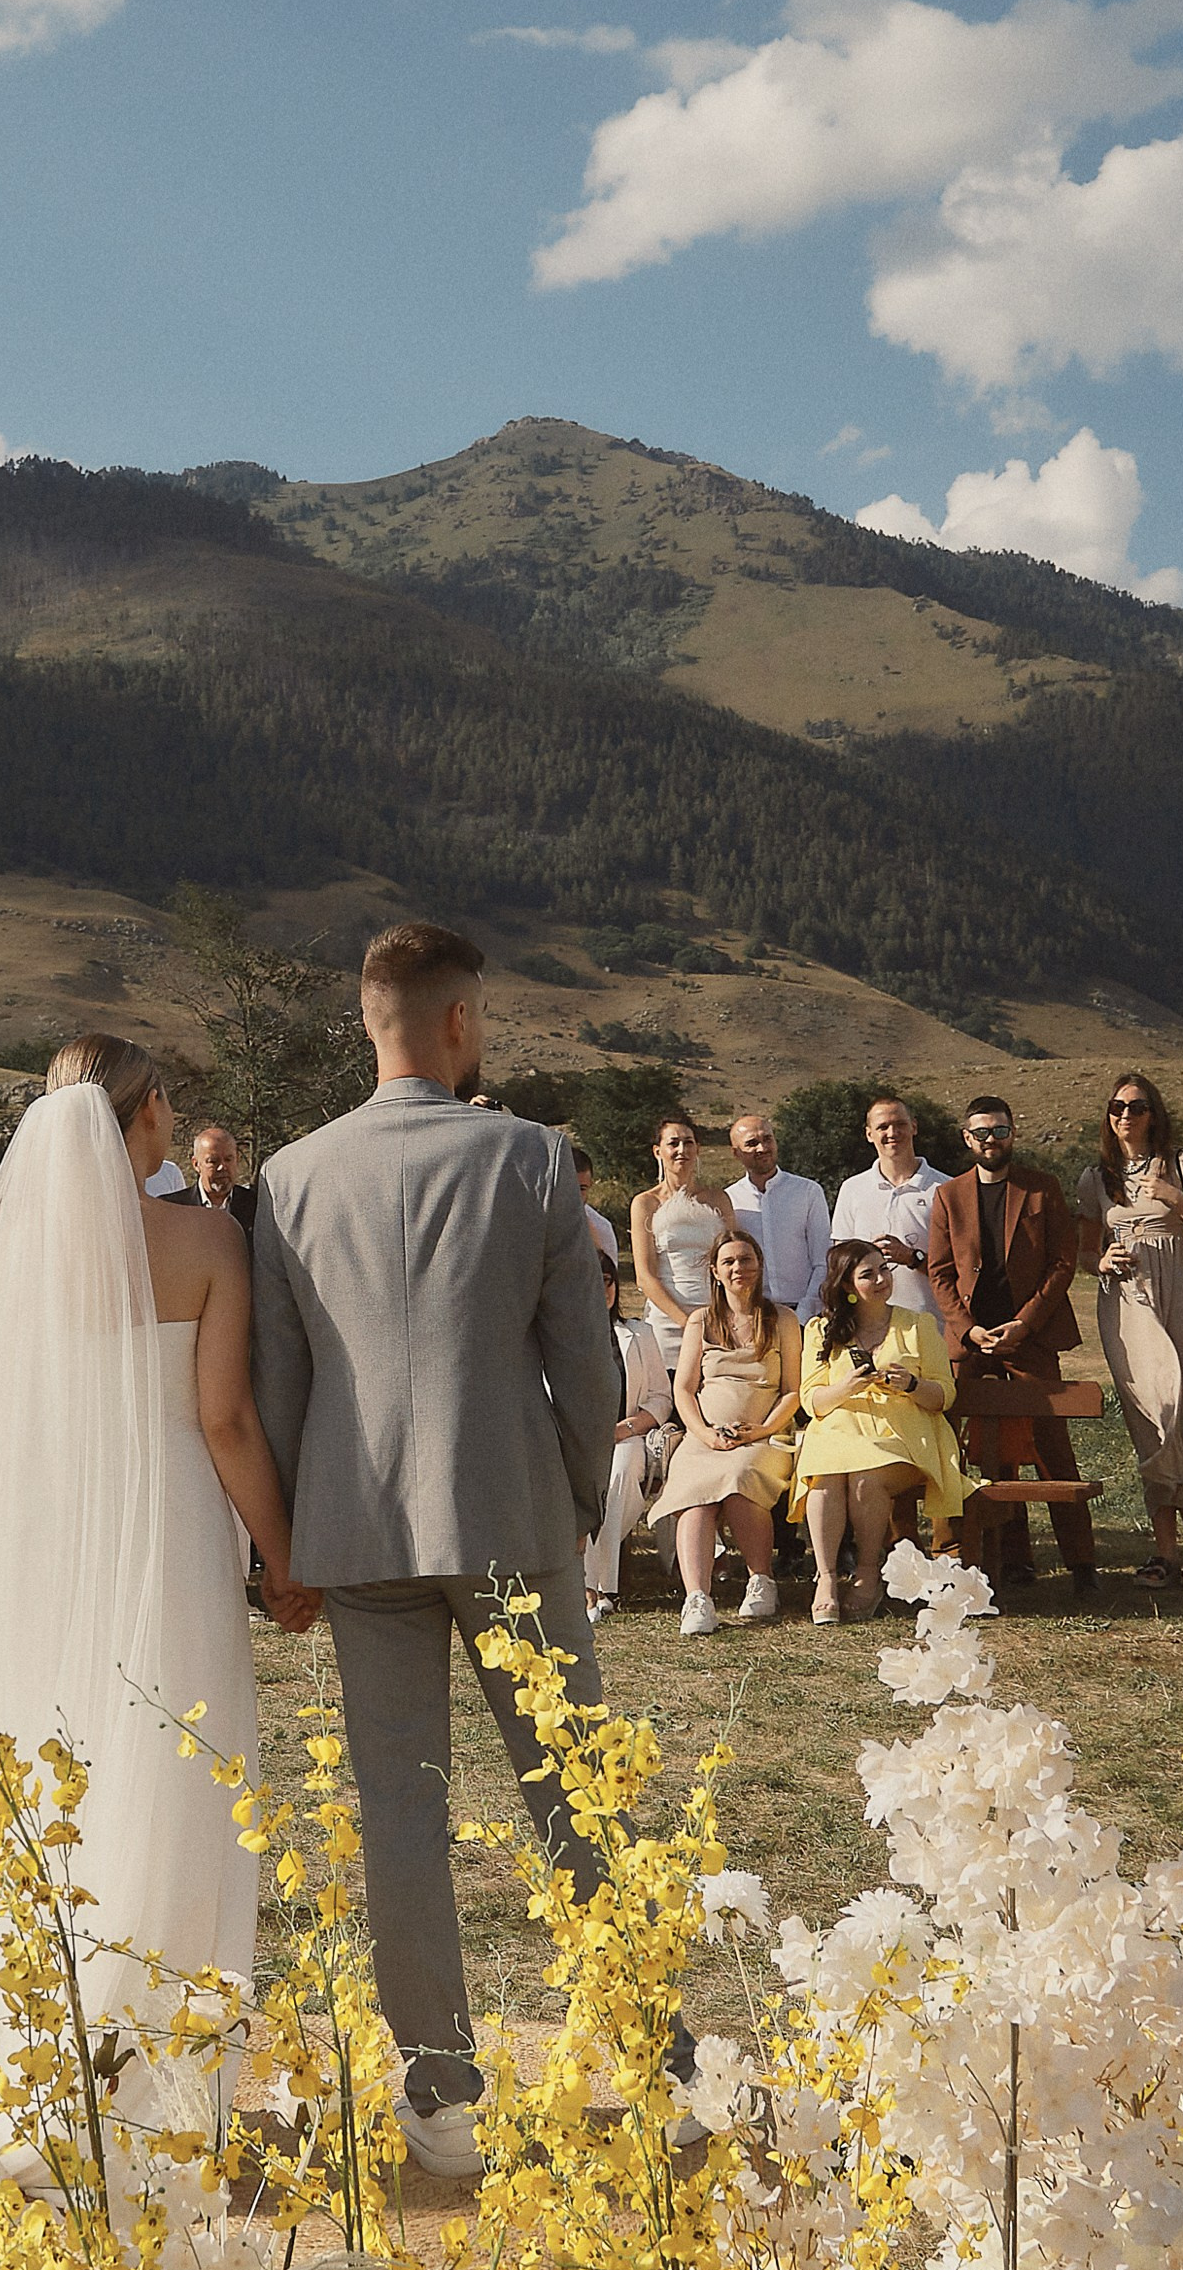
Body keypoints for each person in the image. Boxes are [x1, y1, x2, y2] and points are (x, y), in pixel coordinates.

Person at [0, 1034, 310, 2123]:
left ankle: (34, 2026)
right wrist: (284, 1553)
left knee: (51, 1746)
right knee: (174, 1756)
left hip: (55, 1532)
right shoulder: (206, 1240)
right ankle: (155, 2063)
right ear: (152, 1113)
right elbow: (222, 1418)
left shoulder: (0, 1256)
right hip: (165, 1529)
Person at [255, 922, 622, 2177]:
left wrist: (294, 1542)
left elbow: (278, 1377)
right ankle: (647, 2055)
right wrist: (582, 1493)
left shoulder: (292, 1174)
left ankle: (440, 2094)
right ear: (460, 1020)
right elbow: (582, 1352)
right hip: (508, 1511)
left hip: (357, 1527)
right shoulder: (527, 1154)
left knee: (398, 1813)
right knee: (573, 1790)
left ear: (371, 1020)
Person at [926, 1097, 1098, 1598]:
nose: (990, 1141)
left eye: (998, 1131)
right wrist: (968, 1328)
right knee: (958, 1449)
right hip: (971, 1342)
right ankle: (962, 1558)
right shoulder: (948, 1196)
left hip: (1031, 1339)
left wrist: (1024, 1323)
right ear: (966, 1139)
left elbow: (1062, 1263)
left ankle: (1081, 1562)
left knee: (1049, 1448)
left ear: (1012, 1133)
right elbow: (938, 1273)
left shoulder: (1042, 1188)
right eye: (980, 1133)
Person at [1077, 1073, 1183, 1590]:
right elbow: (1080, 1252)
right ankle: (1163, 1550)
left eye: (1136, 1106)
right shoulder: (1096, 1178)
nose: (1125, 1115)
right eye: (1116, 1107)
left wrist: (1176, 1198)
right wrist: (1101, 1260)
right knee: (1149, 1415)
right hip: (1126, 1302)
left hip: (1182, 1292)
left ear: (1153, 1113)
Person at [790, 1239, 969, 1623]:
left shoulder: (918, 1325)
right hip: (839, 1433)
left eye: (884, 1270)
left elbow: (945, 1394)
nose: (881, 1279)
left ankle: (869, 1573)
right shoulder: (821, 1329)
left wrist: (911, 1385)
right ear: (847, 1286)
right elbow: (811, 1400)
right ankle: (825, 1578)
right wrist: (847, 1387)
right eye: (867, 1274)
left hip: (901, 1436)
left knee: (865, 1480)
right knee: (823, 1477)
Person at [651, 1229, 800, 1637]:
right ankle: (697, 1598)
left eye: (746, 1260)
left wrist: (763, 1429)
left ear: (759, 1264)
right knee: (695, 1496)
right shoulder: (700, 1321)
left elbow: (792, 1390)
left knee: (739, 1479)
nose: (739, 1268)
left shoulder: (783, 1319)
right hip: (705, 1437)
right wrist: (703, 1433)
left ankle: (761, 1578)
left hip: (764, 1436)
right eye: (730, 1262)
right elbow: (683, 1389)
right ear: (715, 1271)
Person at [583, 1251, 671, 1618]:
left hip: (628, 1437)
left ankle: (592, 1586)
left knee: (619, 1471)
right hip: (573, 1443)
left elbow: (661, 1397)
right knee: (581, 1483)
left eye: (607, 1281)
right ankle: (600, 1590)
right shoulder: (556, 1338)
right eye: (591, 1281)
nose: (602, 1289)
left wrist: (626, 1428)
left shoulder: (638, 1334)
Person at [629, 1113, 733, 1373]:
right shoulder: (645, 1203)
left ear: (697, 1149)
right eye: (673, 1143)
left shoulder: (718, 1199)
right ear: (658, 1151)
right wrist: (687, 1323)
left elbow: (734, 1257)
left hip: (716, 1316)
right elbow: (645, 1276)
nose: (681, 1150)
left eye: (688, 1142)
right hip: (667, 1318)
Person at [830, 1096, 947, 1319]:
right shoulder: (852, 1189)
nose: (892, 1133)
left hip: (932, 1323)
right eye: (883, 1127)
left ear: (914, 1127)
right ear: (869, 1134)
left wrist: (913, 1258)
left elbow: (960, 1267)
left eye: (900, 1124)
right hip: (869, 1326)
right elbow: (840, 1264)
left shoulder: (946, 1188)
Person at [726, 1111, 831, 1319]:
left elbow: (822, 1259)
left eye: (767, 1139)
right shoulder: (729, 1200)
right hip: (752, 1316)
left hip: (806, 1314)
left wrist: (805, 1312)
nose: (762, 1148)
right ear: (736, 1153)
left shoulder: (807, 1191)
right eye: (752, 1143)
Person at [159, 1120, 259, 1236]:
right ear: (196, 1164)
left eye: (228, 1159)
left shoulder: (255, 1206)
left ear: (237, 1159)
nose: (222, 1167)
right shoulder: (172, 1208)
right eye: (213, 1161)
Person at [571, 1144, 620, 1266]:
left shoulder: (601, 1228)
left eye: (582, 1188)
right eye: (568, 1188)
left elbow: (609, 1280)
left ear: (590, 1184)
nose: (575, 1196)